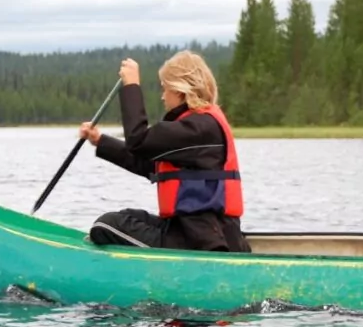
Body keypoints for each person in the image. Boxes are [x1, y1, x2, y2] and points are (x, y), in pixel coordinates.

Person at [78, 50, 252, 253]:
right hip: (189, 230)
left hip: (202, 241)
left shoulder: (200, 128)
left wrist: (131, 85)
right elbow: (150, 164)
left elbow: (138, 141)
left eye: (165, 88)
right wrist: (100, 141)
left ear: (180, 91)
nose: (163, 96)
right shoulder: (195, 125)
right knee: (126, 217)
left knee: (106, 225)